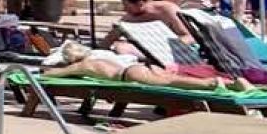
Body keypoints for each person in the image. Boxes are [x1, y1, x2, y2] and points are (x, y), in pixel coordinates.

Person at [41, 37, 253, 93]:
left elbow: (53, 75)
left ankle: (213, 83)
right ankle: (234, 83)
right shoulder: (98, 56)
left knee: (172, 83)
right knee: (173, 79)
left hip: (130, 75)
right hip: (138, 67)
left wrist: (46, 70)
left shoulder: (83, 65)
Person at [118, 0, 190, 40]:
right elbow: (115, 33)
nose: (125, 10)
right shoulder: (130, 17)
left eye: (127, 7)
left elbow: (188, 36)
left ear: (140, 3)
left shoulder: (167, 10)